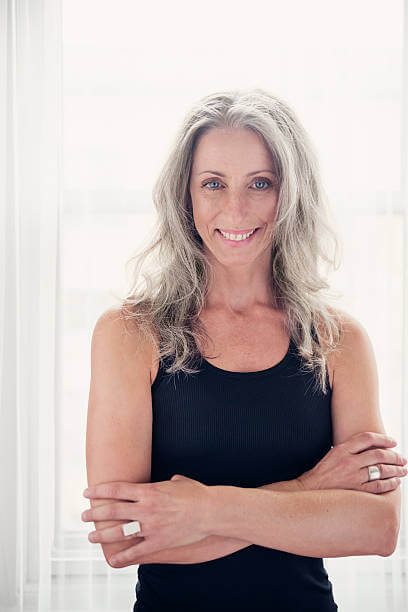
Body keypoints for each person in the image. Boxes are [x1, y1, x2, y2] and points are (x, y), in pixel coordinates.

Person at [84, 88, 406, 611]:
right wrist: (309, 489)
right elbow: (123, 538)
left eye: (261, 183)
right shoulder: (129, 333)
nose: (235, 209)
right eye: (213, 183)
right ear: (184, 196)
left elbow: (377, 527)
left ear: (291, 193)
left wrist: (202, 510)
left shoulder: (338, 340)